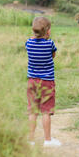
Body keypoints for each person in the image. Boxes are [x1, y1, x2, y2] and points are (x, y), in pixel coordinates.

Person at [25, 16, 61, 147]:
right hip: (47, 81)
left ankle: (30, 140)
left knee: (32, 111)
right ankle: (47, 140)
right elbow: (53, 55)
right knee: (46, 111)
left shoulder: (28, 43)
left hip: (32, 81)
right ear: (48, 31)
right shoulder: (50, 44)